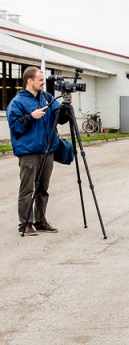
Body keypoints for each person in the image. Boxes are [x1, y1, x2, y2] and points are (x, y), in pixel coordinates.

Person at [7, 66, 66, 235]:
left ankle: (40, 221)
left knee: (43, 188)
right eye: (40, 80)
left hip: (47, 150)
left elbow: (59, 119)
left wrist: (66, 108)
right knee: (27, 189)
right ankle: (25, 223)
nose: (43, 82)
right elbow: (15, 127)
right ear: (29, 81)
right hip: (29, 152)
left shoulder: (47, 98)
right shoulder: (17, 102)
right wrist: (30, 117)